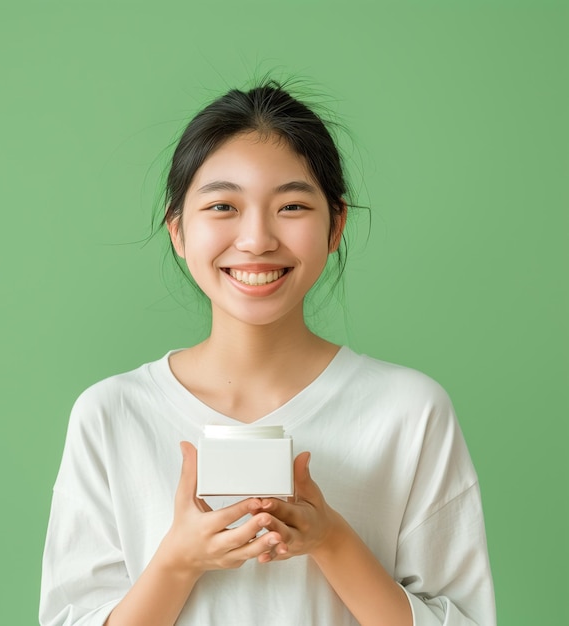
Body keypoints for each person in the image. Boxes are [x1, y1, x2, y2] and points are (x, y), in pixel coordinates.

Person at [39, 81, 495, 626]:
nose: (256, 239)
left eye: (293, 205)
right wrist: (177, 563)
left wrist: (331, 540)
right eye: (223, 206)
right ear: (179, 230)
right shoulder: (112, 413)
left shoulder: (410, 411)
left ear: (336, 226)